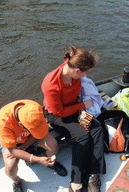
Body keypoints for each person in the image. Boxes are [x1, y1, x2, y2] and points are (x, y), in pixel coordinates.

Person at [42, 45, 106, 192]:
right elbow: (60, 112)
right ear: (77, 71)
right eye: (85, 74)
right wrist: (83, 105)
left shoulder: (73, 74)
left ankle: (93, 175)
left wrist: (80, 107)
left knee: (96, 127)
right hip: (57, 116)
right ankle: (76, 181)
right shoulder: (51, 85)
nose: (85, 77)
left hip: (75, 109)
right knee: (82, 135)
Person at [0, 100, 67, 192]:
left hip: (29, 136)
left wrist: (22, 149)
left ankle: (50, 162)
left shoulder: (34, 108)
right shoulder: (3, 122)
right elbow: (13, 151)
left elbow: (35, 134)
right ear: (21, 125)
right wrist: (38, 159)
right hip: (12, 141)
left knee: (52, 144)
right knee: (10, 167)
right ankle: (16, 181)